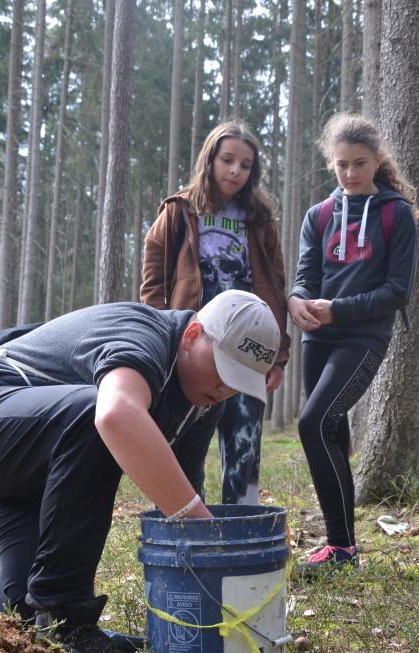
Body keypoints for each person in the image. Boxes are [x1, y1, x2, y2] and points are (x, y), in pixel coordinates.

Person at [0, 290, 281, 653]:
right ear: (192, 335)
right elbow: (114, 415)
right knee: (93, 411)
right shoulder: (143, 335)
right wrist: (204, 528)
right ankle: (68, 617)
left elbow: (183, 494)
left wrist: (215, 591)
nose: (227, 388)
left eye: (240, 382)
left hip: (42, 466)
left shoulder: (203, 403)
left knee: (27, 610)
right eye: (224, 370)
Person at [288, 113, 419, 576]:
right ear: (331, 163)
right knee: (332, 432)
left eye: (359, 163)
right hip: (317, 336)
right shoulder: (319, 215)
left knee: (311, 423)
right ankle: (341, 547)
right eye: (341, 164)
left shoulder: (396, 214)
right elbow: (306, 277)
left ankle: (341, 547)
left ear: (378, 160)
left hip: (363, 337)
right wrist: (296, 300)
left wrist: (337, 310)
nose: (350, 173)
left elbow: (397, 292)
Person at [141, 121, 290, 506]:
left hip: (247, 345)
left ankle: (241, 523)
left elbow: (275, 286)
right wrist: (159, 340)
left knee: (244, 441)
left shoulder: (259, 220)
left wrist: (278, 354)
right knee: (184, 441)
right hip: (193, 346)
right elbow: (154, 282)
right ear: (209, 160)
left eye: (245, 165)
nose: (235, 171)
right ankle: (186, 521)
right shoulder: (178, 211)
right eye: (227, 161)